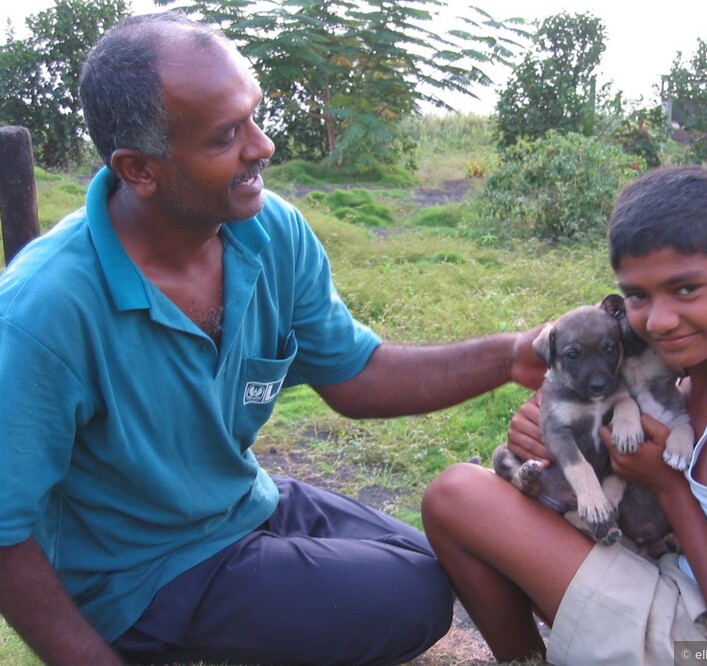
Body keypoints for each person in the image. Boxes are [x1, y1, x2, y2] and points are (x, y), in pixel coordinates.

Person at [0, 12, 547, 666]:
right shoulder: (45, 309)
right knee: (419, 595)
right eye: (227, 135)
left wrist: (514, 354)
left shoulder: (268, 233)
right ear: (139, 169)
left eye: (254, 116)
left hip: (240, 502)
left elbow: (356, 374)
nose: (262, 147)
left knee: (447, 557)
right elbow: (5, 530)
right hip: (142, 575)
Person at [422, 165, 707, 665]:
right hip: (688, 587)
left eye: (686, 289)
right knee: (494, 498)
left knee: (455, 496)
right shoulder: (689, 376)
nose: (659, 320)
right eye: (637, 296)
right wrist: (554, 440)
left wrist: (668, 487)